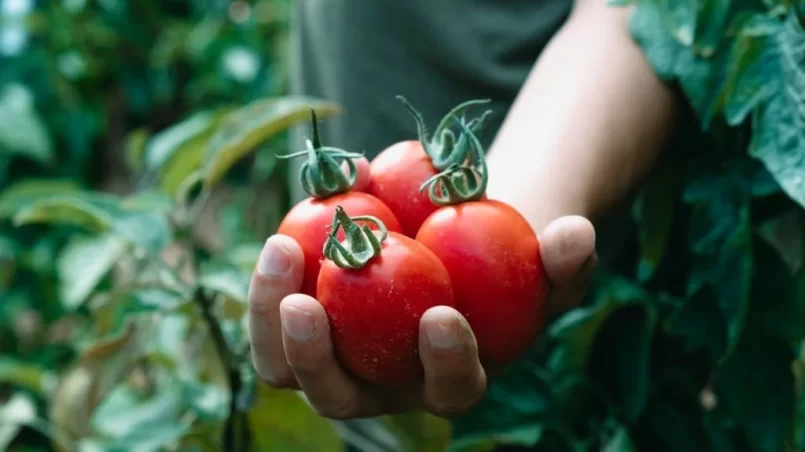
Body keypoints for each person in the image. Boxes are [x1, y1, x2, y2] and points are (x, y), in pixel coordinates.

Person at [246, 0, 678, 419]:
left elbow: (643, 13)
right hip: (355, 368)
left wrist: (519, 233)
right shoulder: (345, 224)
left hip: (564, 382)